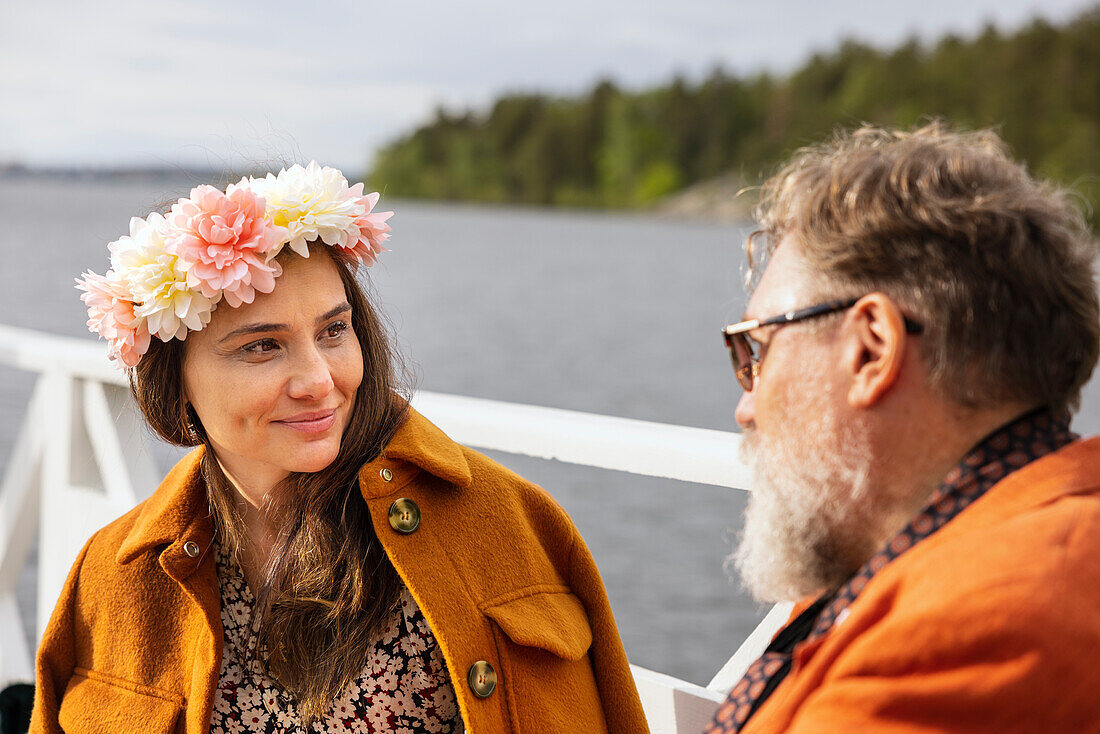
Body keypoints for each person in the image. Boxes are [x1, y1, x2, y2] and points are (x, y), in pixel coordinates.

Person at [30, 162, 648, 733]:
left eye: (333, 330)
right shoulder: (113, 576)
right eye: (261, 346)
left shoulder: (506, 523)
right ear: (176, 379)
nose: (319, 381)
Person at [708, 123, 1100, 733]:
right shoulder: (974, 543)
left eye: (756, 351)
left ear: (872, 348)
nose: (746, 407)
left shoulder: (972, 626)